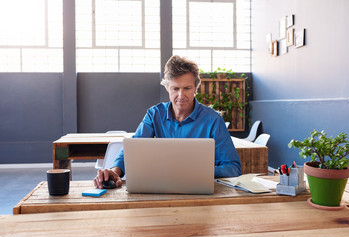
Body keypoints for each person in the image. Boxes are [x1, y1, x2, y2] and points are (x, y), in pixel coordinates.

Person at [93, 55, 242, 189]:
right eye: (175, 88)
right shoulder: (154, 114)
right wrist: (115, 170)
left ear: (196, 88)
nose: (180, 95)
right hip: (161, 189)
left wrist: (194, 171)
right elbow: (133, 146)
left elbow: (233, 168)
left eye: (187, 88)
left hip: (199, 191)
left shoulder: (213, 120)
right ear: (167, 88)